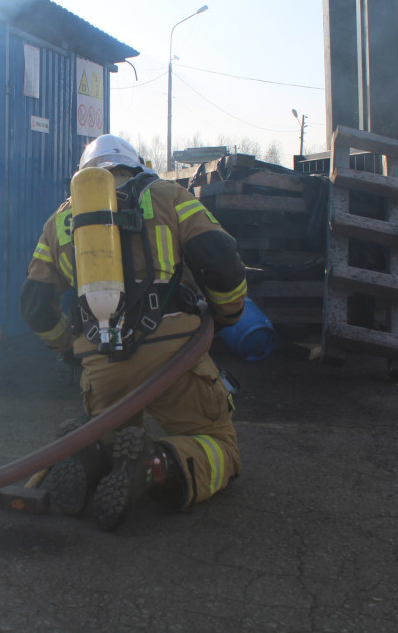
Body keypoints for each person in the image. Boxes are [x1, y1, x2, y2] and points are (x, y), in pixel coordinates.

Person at [20, 134, 247, 531]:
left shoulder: (59, 221)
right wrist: (227, 315)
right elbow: (221, 260)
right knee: (216, 441)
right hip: (175, 354)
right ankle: (154, 464)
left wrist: (68, 349)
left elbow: (35, 305)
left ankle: (89, 457)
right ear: (135, 164)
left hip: (102, 361)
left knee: (112, 433)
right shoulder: (170, 195)